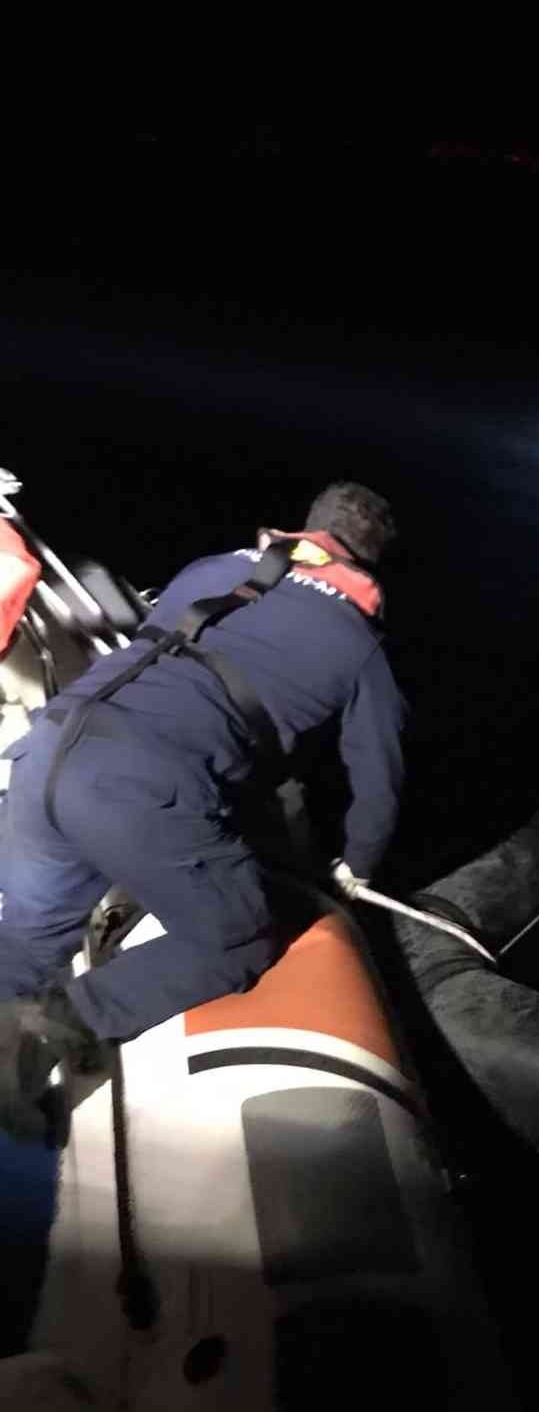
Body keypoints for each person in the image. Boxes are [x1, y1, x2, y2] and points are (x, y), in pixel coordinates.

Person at [0, 483, 407, 1137]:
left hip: (50, 745)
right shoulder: (361, 644)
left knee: (29, 934)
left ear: (308, 527)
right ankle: (62, 1022)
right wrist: (356, 866)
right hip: (140, 787)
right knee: (240, 937)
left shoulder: (215, 568)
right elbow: (379, 782)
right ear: (373, 560)